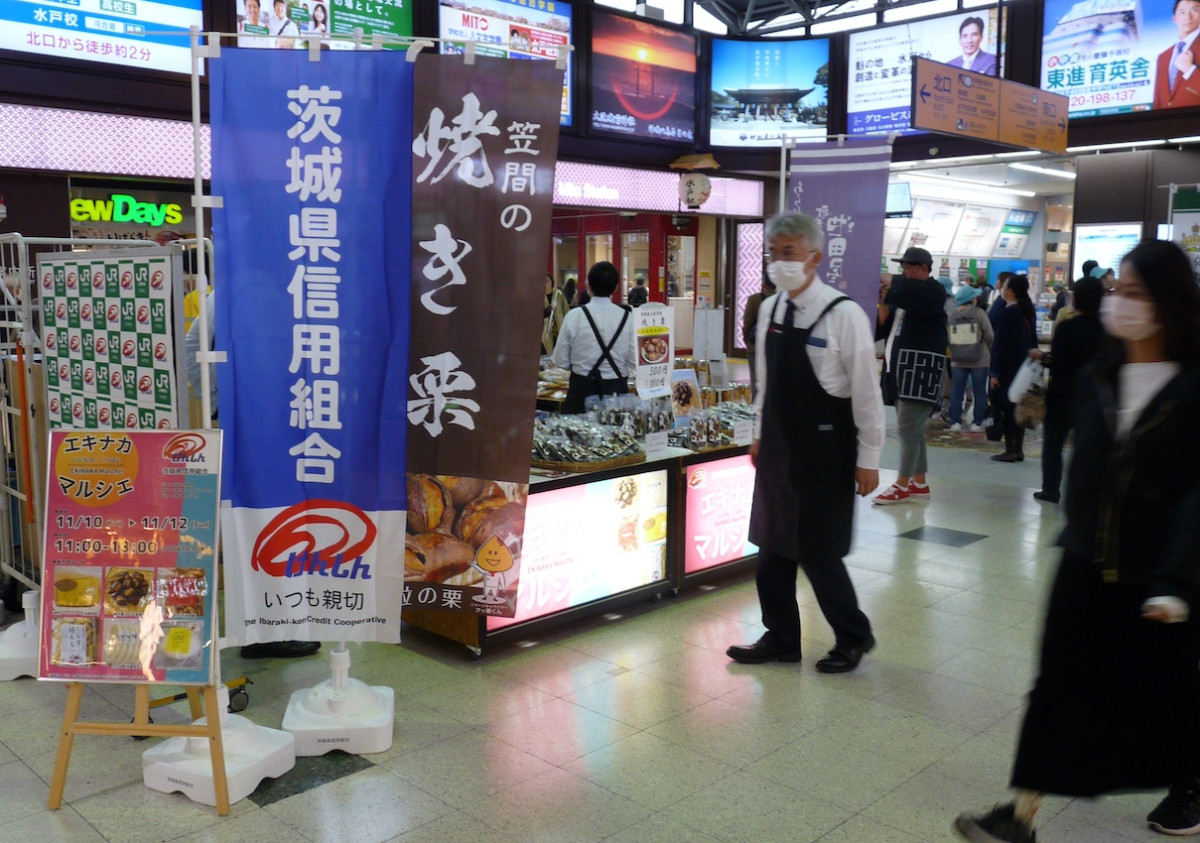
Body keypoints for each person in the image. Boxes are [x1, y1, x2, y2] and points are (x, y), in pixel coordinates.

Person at [954, 239, 1200, 842]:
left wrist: (1176, 580)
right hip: (1086, 558)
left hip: (1160, 573)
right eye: (1120, 290)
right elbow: (1086, 471)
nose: (1121, 303)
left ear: (1168, 301)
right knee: (1056, 684)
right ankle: (1018, 814)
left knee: (1164, 692)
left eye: (1136, 292)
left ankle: (1190, 787)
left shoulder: (1194, 388)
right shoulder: (1101, 374)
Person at [726, 213, 885, 672]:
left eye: (789, 253)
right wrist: (758, 433)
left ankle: (853, 637)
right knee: (772, 548)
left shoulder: (844, 313)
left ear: (815, 257)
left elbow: (867, 393)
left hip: (826, 449)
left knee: (818, 551)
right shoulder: (773, 308)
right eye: (773, 254)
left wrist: (870, 457)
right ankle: (780, 637)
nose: (779, 262)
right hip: (778, 446)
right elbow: (764, 382)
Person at [184, 292, 321, 660]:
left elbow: (193, 344)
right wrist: (215, 400)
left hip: (277, 422)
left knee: (275, 522)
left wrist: (214, 401)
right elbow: (193, 345)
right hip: (260, 426)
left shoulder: (239, 289)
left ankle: (272, 625)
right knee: (264, 522)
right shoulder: (233, 289)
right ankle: (264, 632)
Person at [873, 246, 948, 505]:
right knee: (913, 430)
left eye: (907, 268)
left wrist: (889, 281)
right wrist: (883, 301)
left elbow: (913, 292)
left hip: (920, 371)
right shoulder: (904, 301)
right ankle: (919, 483)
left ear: (923, 269)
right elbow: (881, 327)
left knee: (907, 429)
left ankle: (902, 484)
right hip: (900, 370)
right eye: (901, 268)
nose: (903, 273)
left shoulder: (934, 291)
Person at [1031, 276, 1108, 504]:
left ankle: (1051, 489)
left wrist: (1043, 358)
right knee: (1089, 447)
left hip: (1062, 394)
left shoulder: (1066, 328)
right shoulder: (1107, 331)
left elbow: (1058, 362)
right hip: (1094, 396)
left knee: (1053, 445)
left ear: (1075, 300)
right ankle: (1088, 491)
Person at [552, 261, 636, 414]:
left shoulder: (574, 316)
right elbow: (633, 360)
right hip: (616, 392)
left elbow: (561, 361)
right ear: (616, 287)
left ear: (588, 286)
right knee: (618, 436)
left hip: (581, 392)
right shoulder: (628, 318)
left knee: (579, 436)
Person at [989, 274, 1038, 462]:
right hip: (1025, 366)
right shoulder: (1027, 310)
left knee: (1008, 408)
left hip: (1008, 367)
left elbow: (1000, 345)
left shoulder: (1008, 313)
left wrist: (995, 372)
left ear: (1009, 291)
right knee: (1020, 407)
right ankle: (1018, 448)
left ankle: (1010, 449)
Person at [947, 284, 994, 432]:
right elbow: (990, 336)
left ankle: (955, 422)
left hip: (957, 359)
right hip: (979, 358)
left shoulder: (951, 314)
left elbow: (947, 337)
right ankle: (977, 423)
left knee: (957, 391)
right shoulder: (980, 313)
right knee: (979, 391)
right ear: (972, 299)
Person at [1153, 0, 1200, 110]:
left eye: (1195, 10)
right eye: (1182, 12)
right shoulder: (1163, 57)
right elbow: (1158, 100)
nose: (1188, 17)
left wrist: (1190, 70)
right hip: (1167, 124)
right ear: (1174, 18)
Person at [743, 275, 775, 399]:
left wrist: (748, 343)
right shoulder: (783, 300)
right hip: (774, 348)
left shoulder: (754, 299)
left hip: (755, 347)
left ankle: (757, 411)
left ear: (763, 284)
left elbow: (747, 324)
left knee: (757, 382)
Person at [542, 273, 569, 355]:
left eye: (547, 281)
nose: (545, 283)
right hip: (545, 328)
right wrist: (548, 310)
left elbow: (566, 309)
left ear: (551, 282)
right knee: (547, 346)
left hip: (559, 326)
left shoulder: (559, 294)